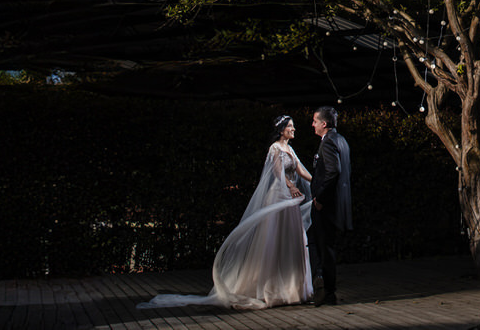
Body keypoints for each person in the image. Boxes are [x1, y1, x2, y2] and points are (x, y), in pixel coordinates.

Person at [138, 115, 314, 310]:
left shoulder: (290, 149)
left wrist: (316, 181)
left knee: (290, 240)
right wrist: (290, 186)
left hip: (290, 200)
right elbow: (277, 172)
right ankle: (272, 289)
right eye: (290, 126)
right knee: (274, 240)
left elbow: (300, 170)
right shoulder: (275, 148)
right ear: (281, 130)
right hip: (278, 197)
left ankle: (291, 289)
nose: (293, 129)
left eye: (293, 126)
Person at [307, 105, 351, 307]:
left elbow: (333, 172)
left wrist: (320, 199)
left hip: (327, 206)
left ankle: (325, 289)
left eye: (315, 121)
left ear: (324, 124)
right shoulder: (341, 140)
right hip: (337, 205)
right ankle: (325, 287)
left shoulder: (328, 143)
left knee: (323, 246)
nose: (313, 125)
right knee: (325, 245)